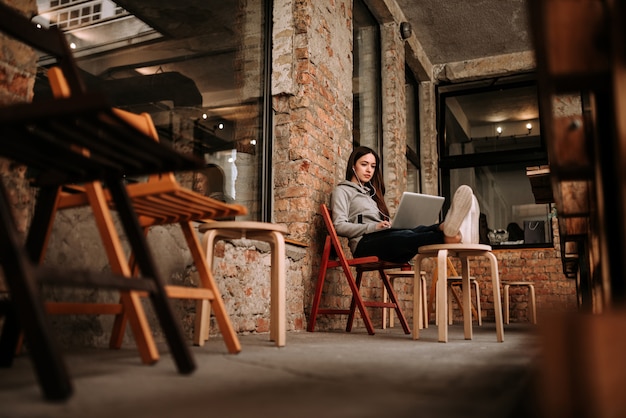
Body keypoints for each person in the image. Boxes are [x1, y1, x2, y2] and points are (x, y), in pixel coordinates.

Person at [330, 146, 478, 264]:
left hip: (382, 240)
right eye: (364, 164)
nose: (369, 170)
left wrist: (385, 226)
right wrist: (373, 227)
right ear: (353, 166)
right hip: (364, 245)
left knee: (415, 230)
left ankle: (446, 228)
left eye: (373, 166)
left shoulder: (370, 195)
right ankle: (456, 233)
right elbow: (339, 226)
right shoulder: (342, 191)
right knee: (408, 236)